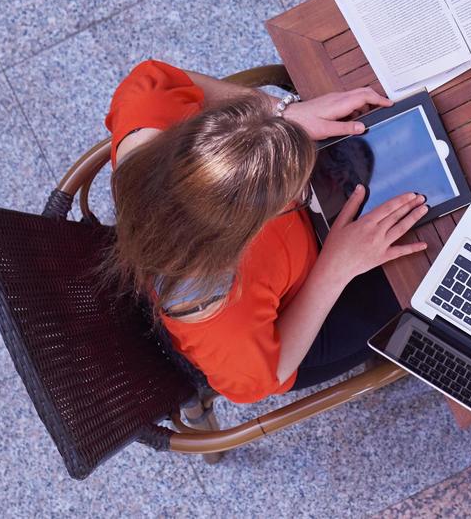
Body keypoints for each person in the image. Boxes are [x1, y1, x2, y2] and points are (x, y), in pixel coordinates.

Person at [103, 60, 427, 403]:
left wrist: (282, 112)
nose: (307, 190)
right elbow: (259, 380)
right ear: (247, 233)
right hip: (285, 333)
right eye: (299, 193)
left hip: (285, 265)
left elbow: (153, 77)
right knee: (418, 278)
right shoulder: (221, 319)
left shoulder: (148, 128)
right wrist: (335, 270)